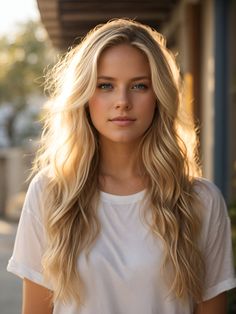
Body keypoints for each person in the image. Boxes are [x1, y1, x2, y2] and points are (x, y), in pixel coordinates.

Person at [7, 18, 236, 314]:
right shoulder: (50, 194)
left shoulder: (201, 201)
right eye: (105, 85)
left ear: (159, 96)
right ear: (85, 95)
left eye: (139, 85)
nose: (122, 101)